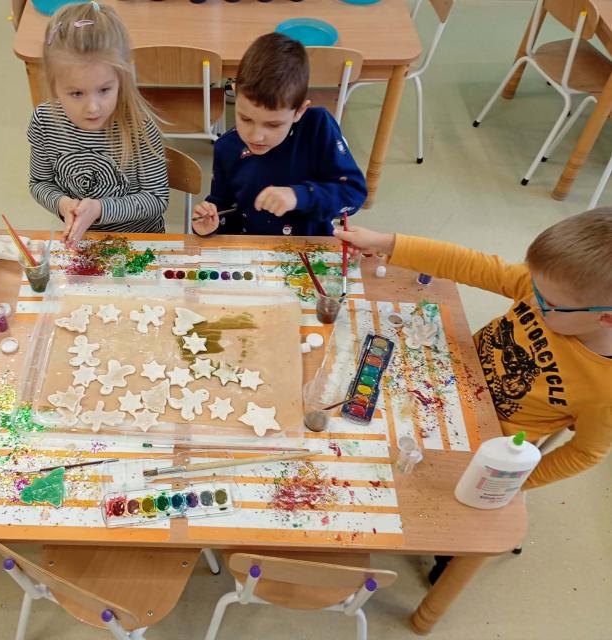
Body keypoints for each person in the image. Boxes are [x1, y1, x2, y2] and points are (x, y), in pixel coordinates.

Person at [334, 211, 612, 579]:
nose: (532, 300)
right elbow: (468, 263)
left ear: (606, 317)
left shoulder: (605, 388)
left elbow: (585, 453)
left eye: (546, 302)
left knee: (421, 499)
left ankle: (449, 559)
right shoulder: (550, 292)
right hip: (446, 378)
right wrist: (385, 242)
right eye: (534, 286)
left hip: (484, 444)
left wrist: (511, 482)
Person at [192, 32, 367, 237]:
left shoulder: (317, 128)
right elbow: (224, 207)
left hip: (309, 244)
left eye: (273, 124)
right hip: (250, 247)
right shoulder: (227, 147)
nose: (256, 136)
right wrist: (210, 223)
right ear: (235, 93)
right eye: (245, 119)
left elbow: (353, 194)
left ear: (299, 111)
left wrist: (299, 196)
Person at [28, 1, 168, 247]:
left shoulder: (139, 126)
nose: (92, 107)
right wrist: (62, 203)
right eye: (76, 93)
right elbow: (39, 183)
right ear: (53, 85)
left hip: (139, 242)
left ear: (122, 79)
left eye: (104, 90)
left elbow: (157, 198)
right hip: (82, 243)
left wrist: (100, 209)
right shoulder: (44, 122)